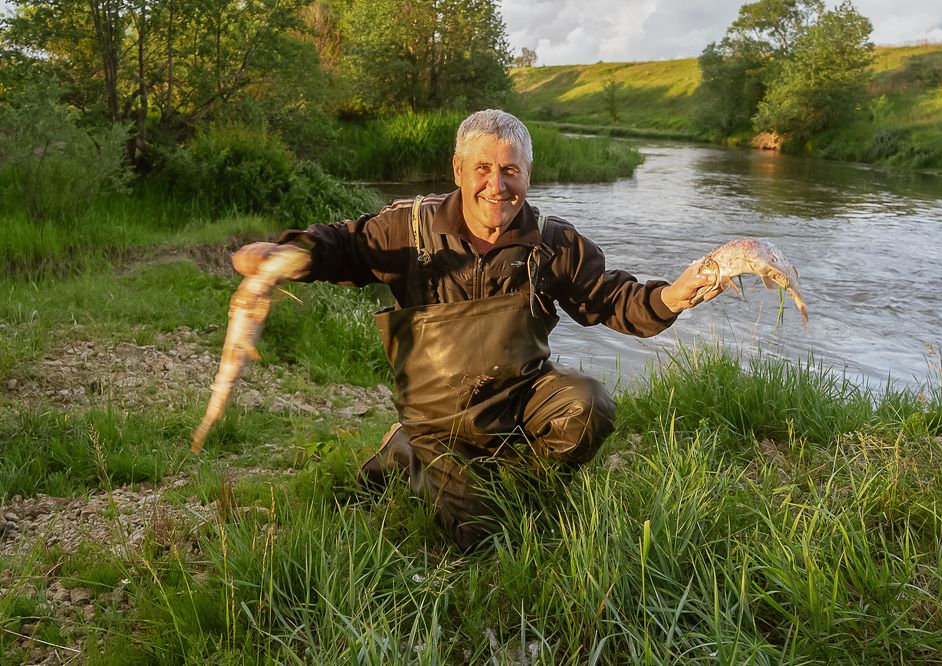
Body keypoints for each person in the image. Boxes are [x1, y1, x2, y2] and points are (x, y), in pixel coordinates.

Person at [233, 109, 721, 550]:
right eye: (482, 169)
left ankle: (506, 478)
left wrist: (672, 296)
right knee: (479, 537)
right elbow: (344, 245)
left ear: (528, 174)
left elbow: (613, 299)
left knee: (590, 405)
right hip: (436, 418)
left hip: (519, 400)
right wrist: (286, 255)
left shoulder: (552, 242)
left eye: (511, 170)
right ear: (458, 171)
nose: (497, 185)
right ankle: (410, 453)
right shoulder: (411, 227)